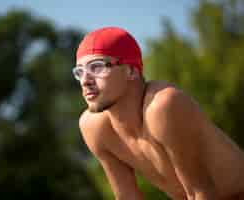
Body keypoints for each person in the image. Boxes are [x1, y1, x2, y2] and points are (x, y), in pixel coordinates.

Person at [72, 26, 244, 200]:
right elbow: (127, 196)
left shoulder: (162, 106)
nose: (85, 81)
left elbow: (201, 192)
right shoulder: (94, 127)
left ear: (130, 71)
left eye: (97, 67)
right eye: (80, 72)